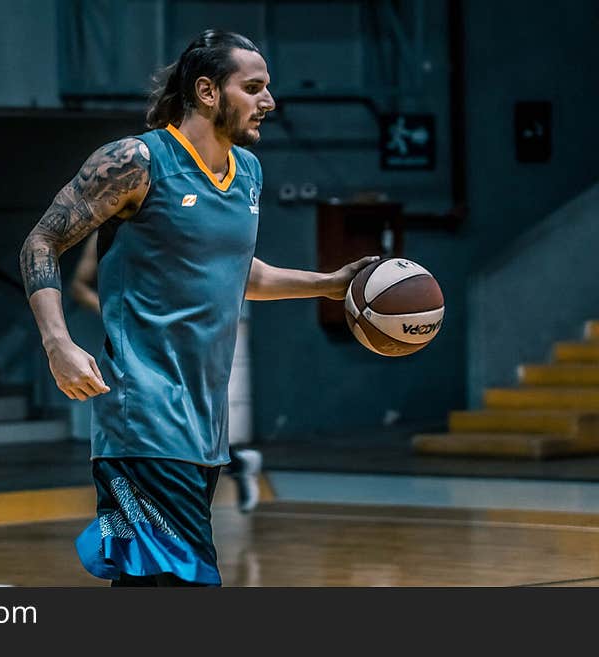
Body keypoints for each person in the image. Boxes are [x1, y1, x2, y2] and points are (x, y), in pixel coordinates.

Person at [20, 29, 377, 587]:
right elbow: (41, 242)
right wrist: (58, 343)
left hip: (202, 433)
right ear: (208, 91)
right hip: (142, 422)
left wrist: (330, 285)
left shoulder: (249, 174)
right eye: (254, 87)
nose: (269, 101)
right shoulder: (136, 161)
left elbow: (242, 274)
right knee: (188, 586)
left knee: (147, 589)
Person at [71, 231, 263, 512]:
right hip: (139, 350)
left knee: (188, 422)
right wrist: (117, 310)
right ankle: (236, 463)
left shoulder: (178, 223)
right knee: (152, 424)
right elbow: (78, 285)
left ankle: (234, 462)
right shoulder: (107, 230)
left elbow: (245, 273)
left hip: (194, 340)